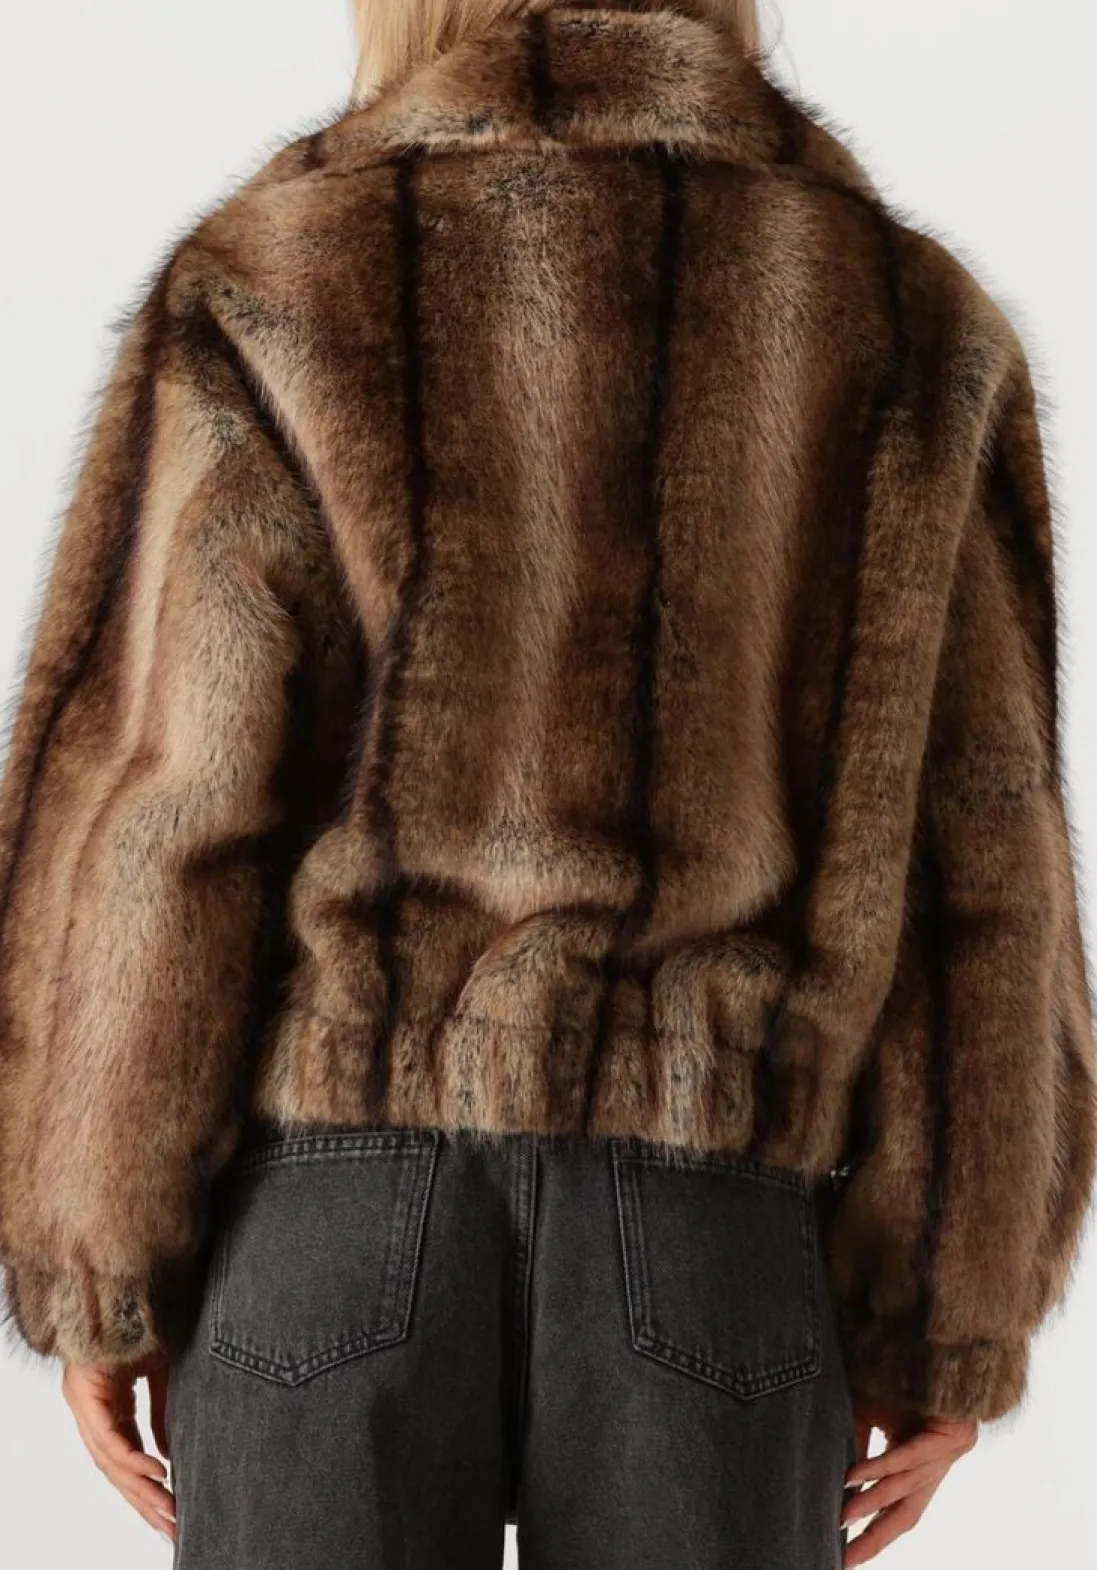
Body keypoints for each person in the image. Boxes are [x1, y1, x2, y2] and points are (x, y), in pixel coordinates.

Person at [0, 0, 1093, 1565]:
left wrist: (99, 1252)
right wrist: (945, 1303)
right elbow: (979, 848)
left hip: (335, 1219)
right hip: (710, 1219)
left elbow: (169, 815)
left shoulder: (271, 281)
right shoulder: (905, 322)